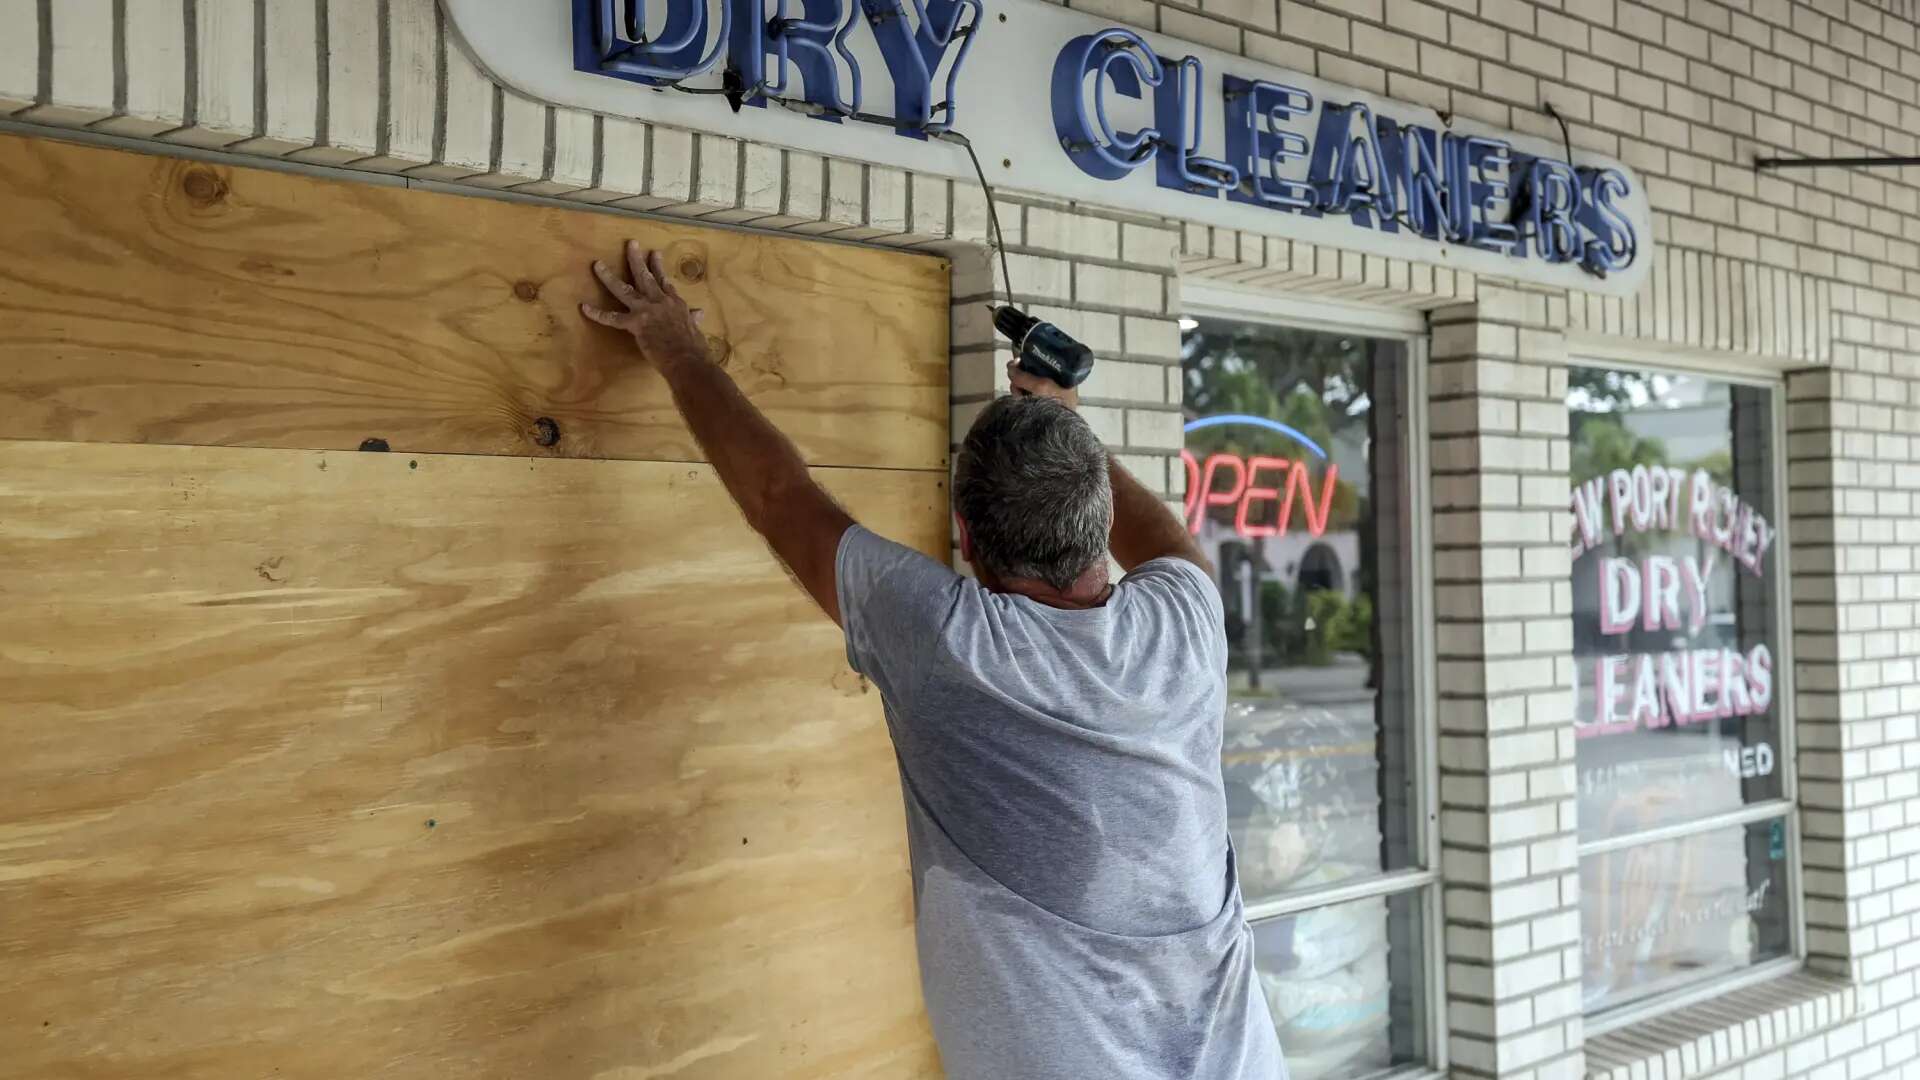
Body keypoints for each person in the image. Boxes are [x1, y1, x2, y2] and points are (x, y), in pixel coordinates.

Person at [582, 242, 1285, 1080]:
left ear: (963, 539)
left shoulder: (955, 649)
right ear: (1098, 524)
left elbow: (781, 500)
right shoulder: (1186, 622)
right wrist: (1064, 426)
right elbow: (1165, 544)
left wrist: (676, 349)